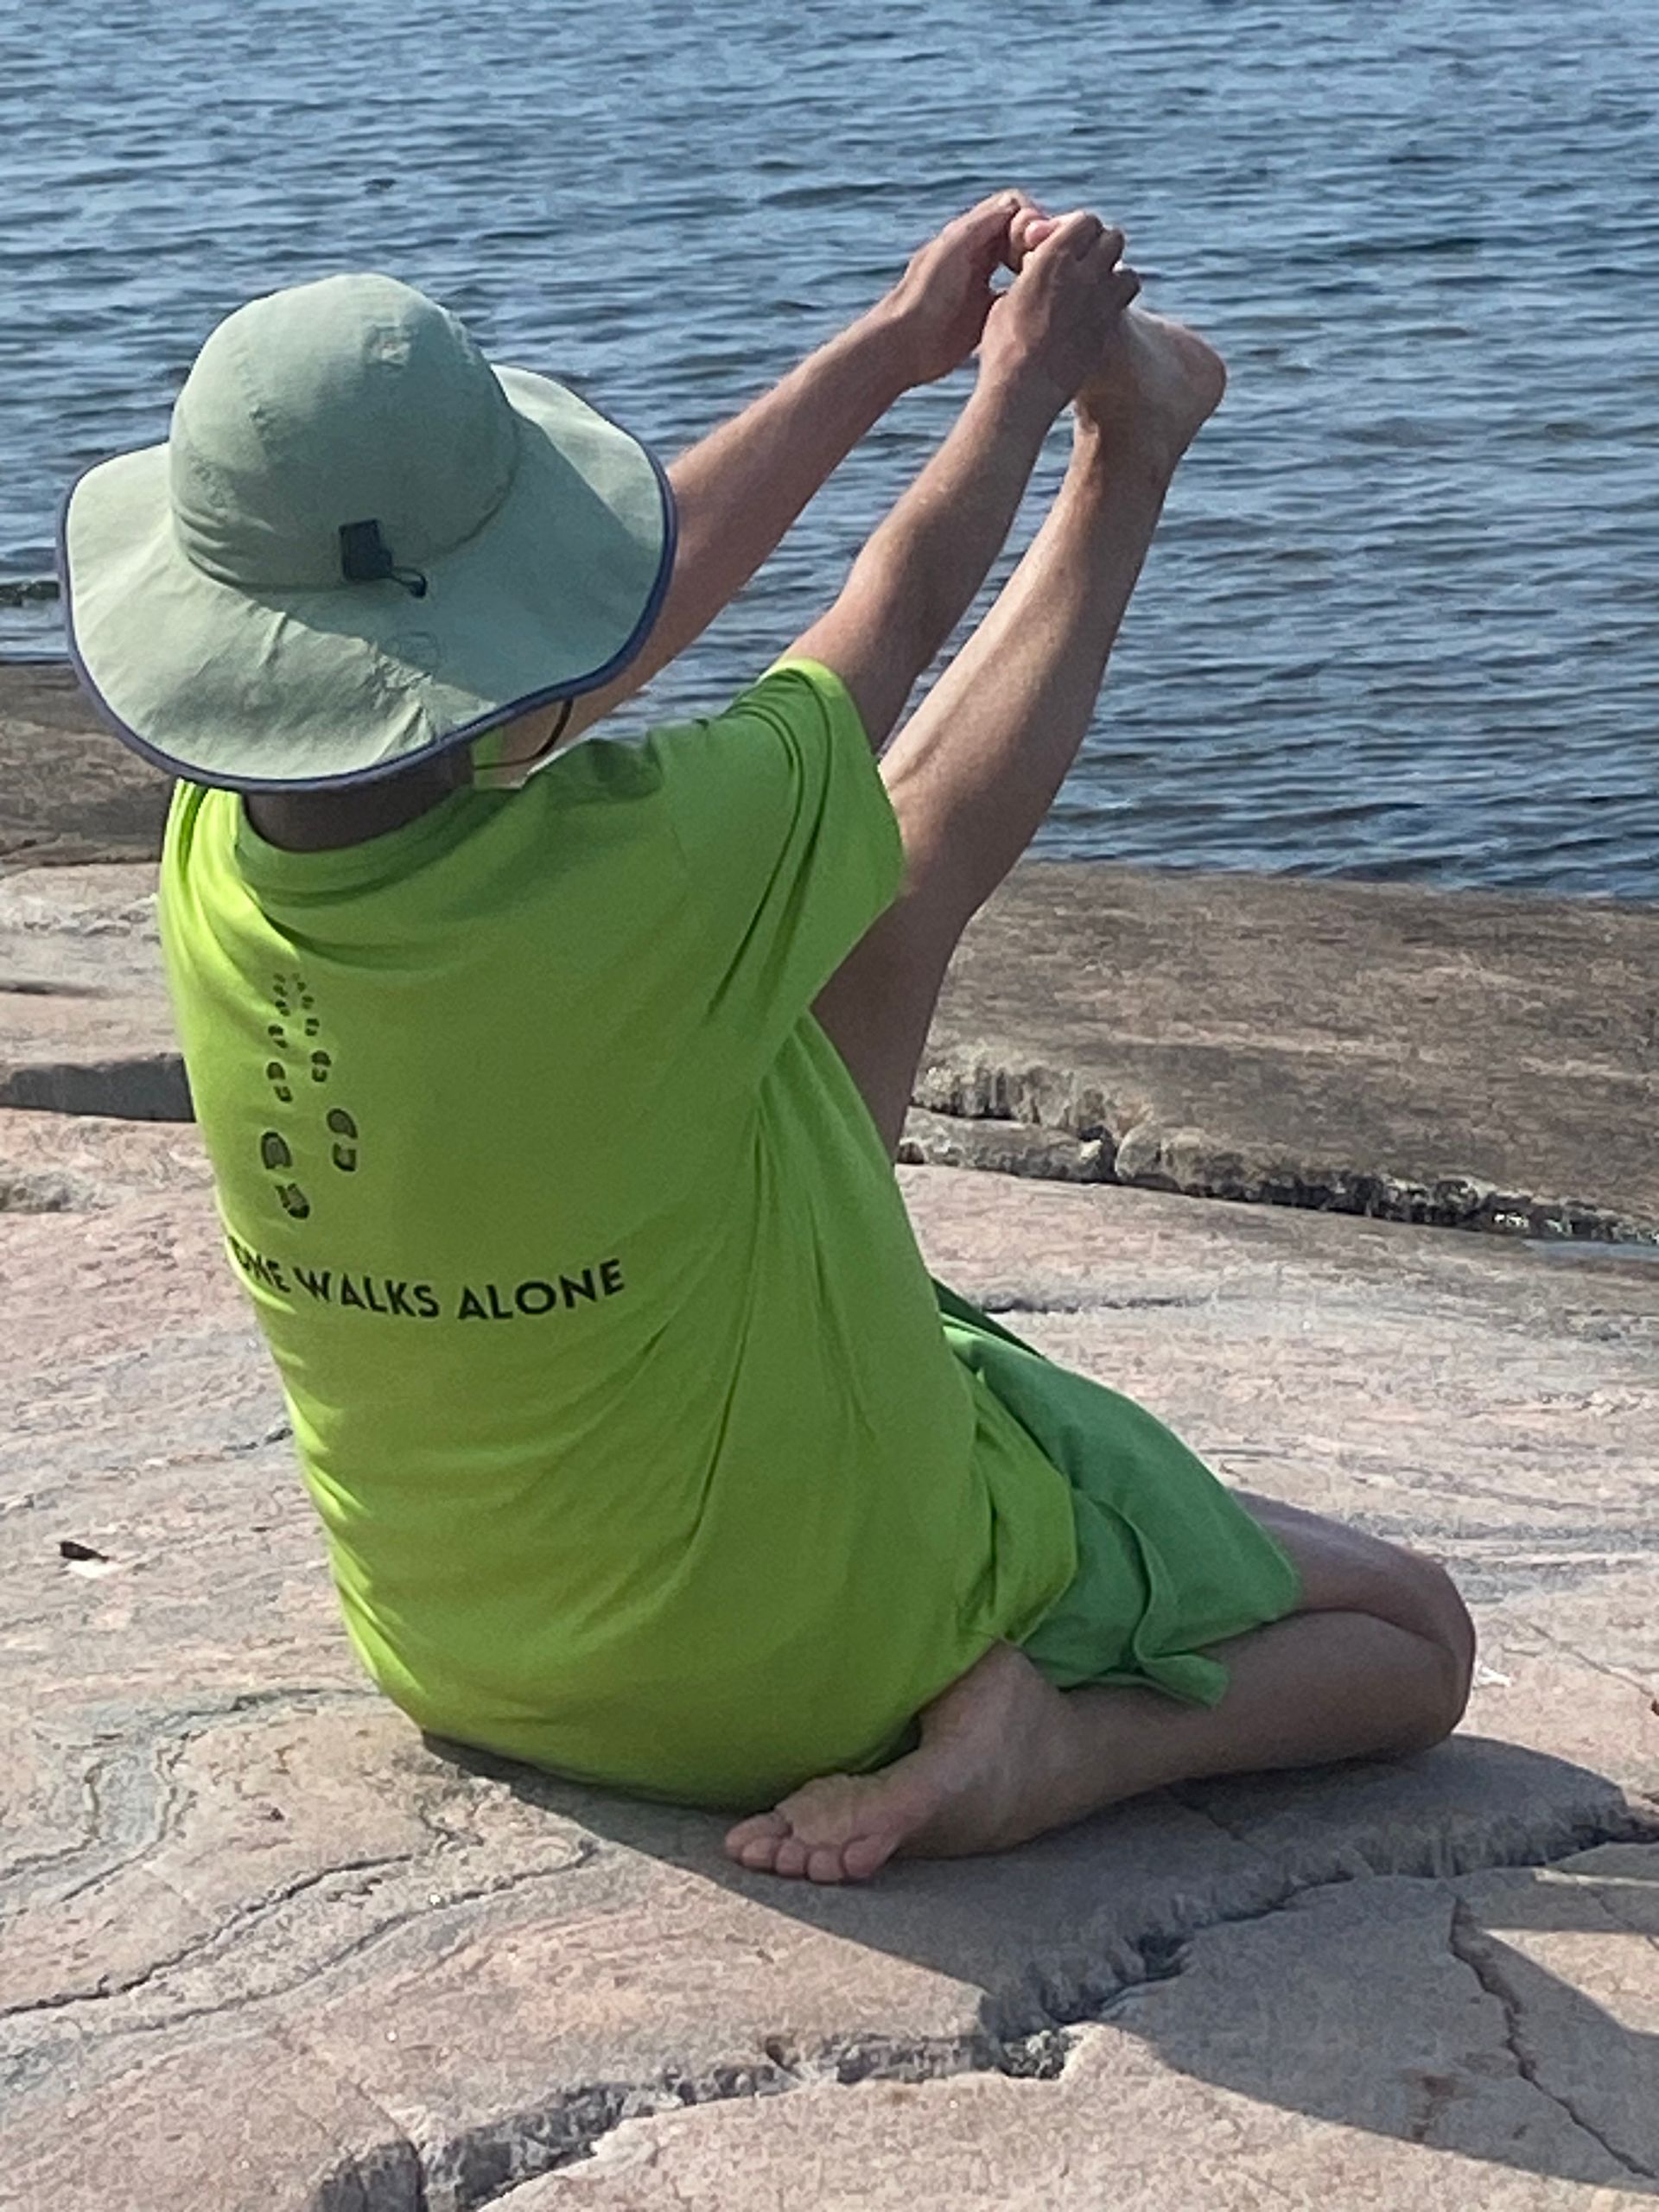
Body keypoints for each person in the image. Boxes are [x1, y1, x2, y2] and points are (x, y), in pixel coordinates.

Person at [60, 194, 1475, 1886]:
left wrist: (891, 345)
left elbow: (594, 647)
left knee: (850, 916)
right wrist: (1012, 385)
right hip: (812, 1660)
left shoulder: (210, 855)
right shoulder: (649, 872)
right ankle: (1055, 1753)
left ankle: (1137, 436)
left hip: (461, 1656)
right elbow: (898, 597)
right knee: (1409, 1632)